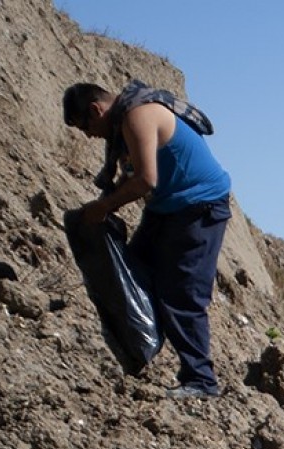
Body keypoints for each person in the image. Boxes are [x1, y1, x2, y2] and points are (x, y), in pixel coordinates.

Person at [62, 80, 232, 399]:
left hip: (199, 207)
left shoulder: (137, 115)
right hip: (168, 207)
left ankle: (202, 381)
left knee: (182, 292)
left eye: (85, 126)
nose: (88, 135)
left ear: (96, 110)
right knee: (135, 269)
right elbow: (134, 173)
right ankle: (136, 351)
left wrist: (103, 207)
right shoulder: (124, 122)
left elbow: (144, 180)